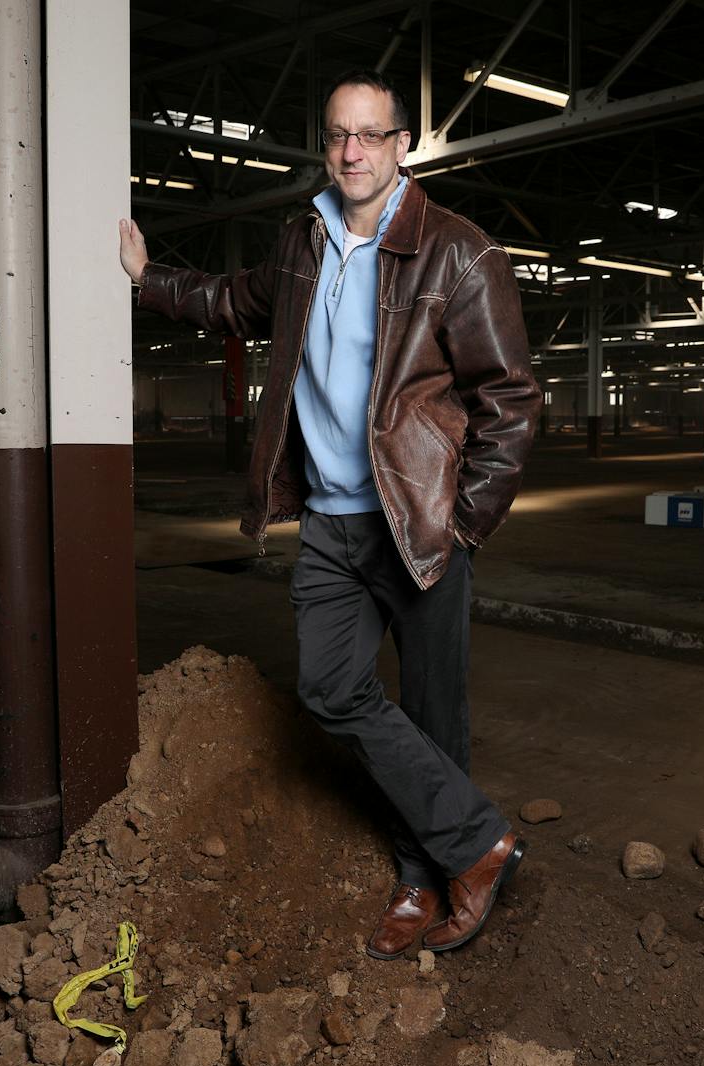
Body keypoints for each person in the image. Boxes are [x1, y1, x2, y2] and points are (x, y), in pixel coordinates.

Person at [118, 69, 541, 959]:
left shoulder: (459, 252)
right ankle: (476, 841)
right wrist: (148, 276)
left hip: (420, 522)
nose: (352, 150)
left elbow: (510, 395)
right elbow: (233, 302)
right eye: (338, 135)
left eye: (370, 134)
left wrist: (465, 522)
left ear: (400, 147)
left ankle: (424, 878)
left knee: (433, 713)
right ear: (329, 146)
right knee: (330, 687)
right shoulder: (302, 241)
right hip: (332, 521)